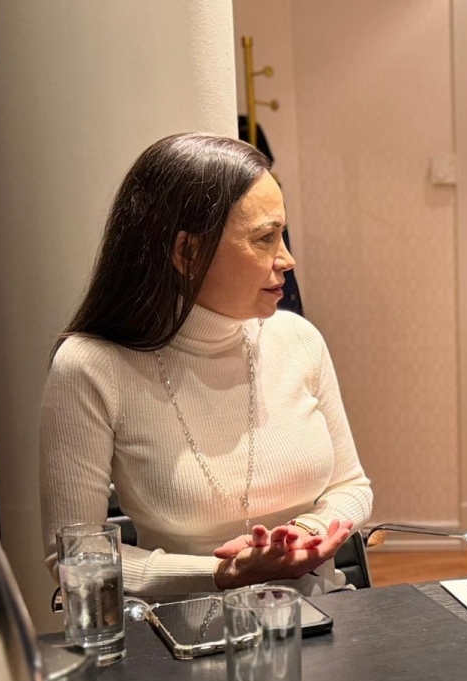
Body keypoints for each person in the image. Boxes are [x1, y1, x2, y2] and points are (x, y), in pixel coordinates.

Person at [40, 133, 372, 597]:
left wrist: (304, 530)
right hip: (182, 638)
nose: (287, 259)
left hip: (324, 619)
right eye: (265, 238)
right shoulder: (92, 367)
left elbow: (352, 485)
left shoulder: (298, 339)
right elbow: (74, 557)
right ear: (187, 253)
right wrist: (220, 573)